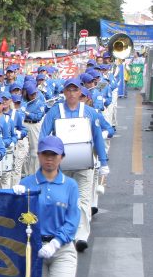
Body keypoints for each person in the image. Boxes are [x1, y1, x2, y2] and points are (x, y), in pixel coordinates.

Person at [38, 77, 109, 253]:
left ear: (80, 92)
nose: (71, 93)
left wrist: (104, 162)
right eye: (68, 90)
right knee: (63, 200)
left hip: (85, 164)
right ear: (64, 92)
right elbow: (43, 137)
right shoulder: (54, 112)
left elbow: (98, 137)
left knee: (84, 200)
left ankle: (81, 236)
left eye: (74, 90)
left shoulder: (90, 112)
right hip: (61, 166)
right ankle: (64, 232)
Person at [13, 136, 79, 277]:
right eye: (45, 154)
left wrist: (55, 243)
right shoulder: (26, 183)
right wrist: (14, 200)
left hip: (62, 249)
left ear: (62, 157)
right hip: (33, 248)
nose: (49, 159)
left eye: (54, 154)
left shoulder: (70, 185)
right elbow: (16, 218)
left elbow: (72, 221)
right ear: (38, 155)